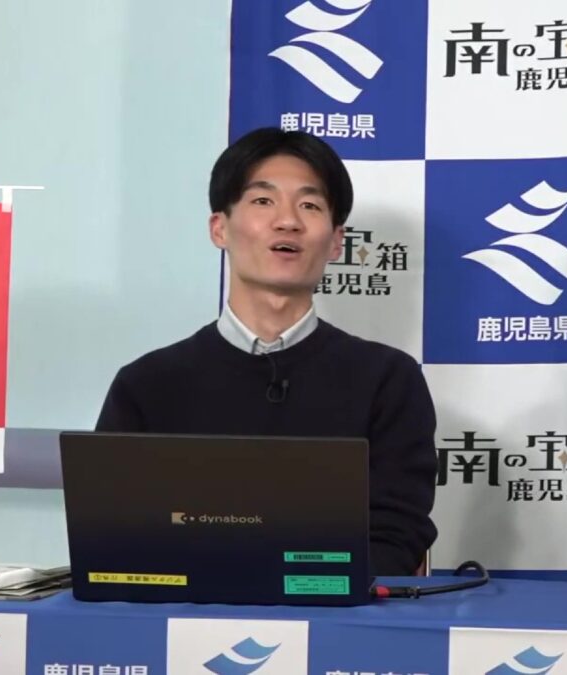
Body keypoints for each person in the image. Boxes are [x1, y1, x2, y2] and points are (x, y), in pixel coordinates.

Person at [95, 128, 438, 576]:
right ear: (219, 228)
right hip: (183, 614)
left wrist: (293, 588)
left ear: (336, 241)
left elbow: (396, 537)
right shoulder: (147, 384)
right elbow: (111, 538)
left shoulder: (388, 380)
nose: (288, 221)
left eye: (310, 206)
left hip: (333, 612)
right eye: (263, 201)